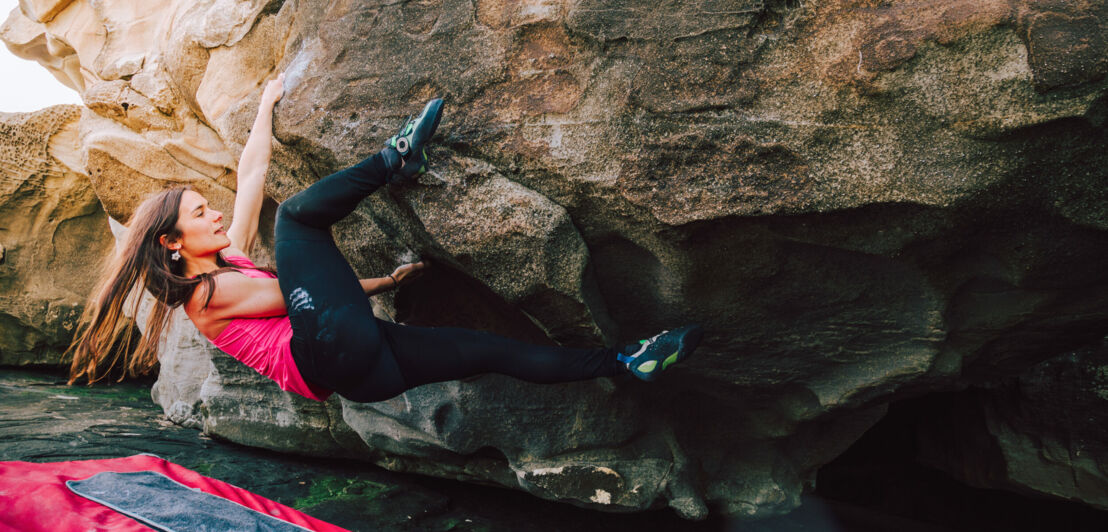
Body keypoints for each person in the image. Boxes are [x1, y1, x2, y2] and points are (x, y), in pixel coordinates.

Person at [66, 73, 703, 403]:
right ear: (173, 242)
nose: (214, 217)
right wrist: (371, 284)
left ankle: (624, 362)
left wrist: (264, 107)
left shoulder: (226, 262)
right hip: (330, 351)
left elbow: (253, 176)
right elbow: (301, 295)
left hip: (365, 369)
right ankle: (395, 160)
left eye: (209, 208)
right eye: (200, 214)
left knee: (489, 351)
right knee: (295, 221)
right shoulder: (202, 299)